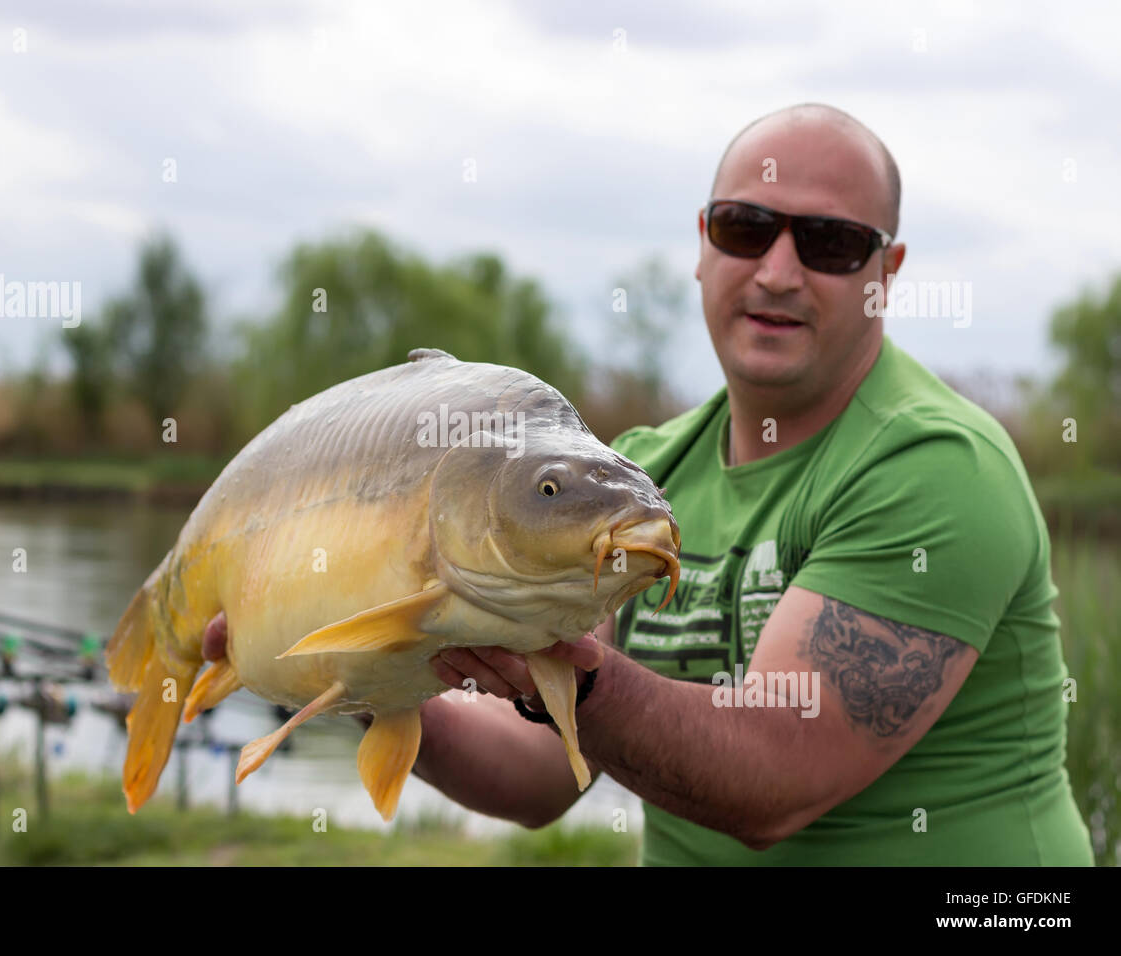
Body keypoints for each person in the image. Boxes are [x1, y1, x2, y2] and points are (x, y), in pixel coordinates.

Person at [205, 103, 1093, 865]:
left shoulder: (936, 467)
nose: (777, 271)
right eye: (748, 227)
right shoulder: (640, 470)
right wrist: (355, 678)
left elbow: (772, 781)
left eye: (829, 243)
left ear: (884, 275)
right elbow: (536, 774)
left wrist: (570, 676)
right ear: (704, 245)